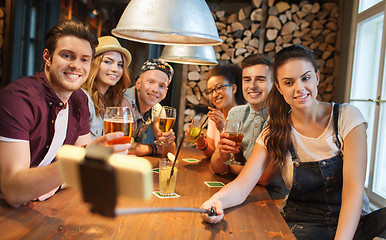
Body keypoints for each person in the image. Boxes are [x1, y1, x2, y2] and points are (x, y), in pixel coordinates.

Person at [200, 44, 384, 239]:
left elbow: (353, 192)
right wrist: (215, 201)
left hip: (353, 223)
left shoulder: (346, 117)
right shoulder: (275, 130)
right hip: (303, 225)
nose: (299, 89)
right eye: (289, 82)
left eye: (306, 78)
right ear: (278, 87)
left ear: (317, 77)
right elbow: (243, 185)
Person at [0, 20, 131, 207]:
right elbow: (13, 191)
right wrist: (85, 160)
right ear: (47, 57)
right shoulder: (17, 100)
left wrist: (57, 182)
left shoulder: (79, 100)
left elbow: (83, 167)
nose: (76, 66)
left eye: (84, 59)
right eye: (68, 56)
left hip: (36, 208)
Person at [122, 59, 176, 157]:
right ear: (138, 83)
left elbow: (169, 154)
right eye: (150, 82)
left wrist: (169, 141)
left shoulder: (158, 110)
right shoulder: (125, 102)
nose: (155, 90)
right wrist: (154, 148)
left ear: (165, 92)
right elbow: (124, 149)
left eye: (161, 86)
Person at [82, 36, 132, 139]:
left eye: (120, 65)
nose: (115, 69)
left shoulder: (109, 100)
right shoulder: (83, 98)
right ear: (94, 64)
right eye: (108, 62)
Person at [192, 65, 245, 158]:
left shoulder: (247, 116)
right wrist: (201, 142)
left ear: (233, 89)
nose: (214, 95)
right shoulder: (215, 117)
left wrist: (222, 129)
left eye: (219, 87)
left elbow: (240, 158)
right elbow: (213, 154)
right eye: (210, 91)